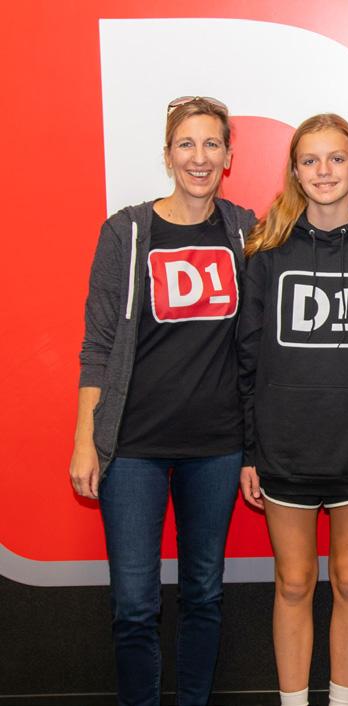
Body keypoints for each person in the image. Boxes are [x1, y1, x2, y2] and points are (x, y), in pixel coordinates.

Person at [69, 96, 256, 705]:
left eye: (211, 144)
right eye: (186, 144)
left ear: (228, 156)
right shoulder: (126, 232)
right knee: (133, 605)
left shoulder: (246, 231)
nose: (199, 157)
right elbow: (98, 345)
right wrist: (86, 441)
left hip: (217, 447)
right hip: (133, 448)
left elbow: (319, 237)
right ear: (168, 153)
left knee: (203, 593)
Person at [237, 113, 348, 706]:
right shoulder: (267, 251)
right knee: (293, 584)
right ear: (294, 170)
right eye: (310, 160)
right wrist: (250, 452)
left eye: (337, 158)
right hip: (285, 450)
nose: (324, 171)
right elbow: (247, 359)